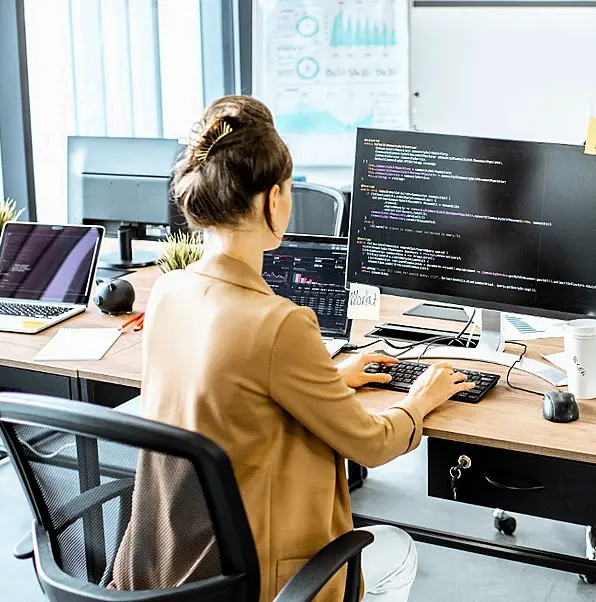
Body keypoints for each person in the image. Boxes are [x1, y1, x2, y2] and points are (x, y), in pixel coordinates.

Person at [110, 95, 474, 602]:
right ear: (272, 199)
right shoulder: (279, 324)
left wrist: (333, 378)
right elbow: (371, 443)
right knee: (399, 550)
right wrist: (420, 399)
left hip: (165, 570)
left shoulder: (170, 291)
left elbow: (227, 398)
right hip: (255, 580)